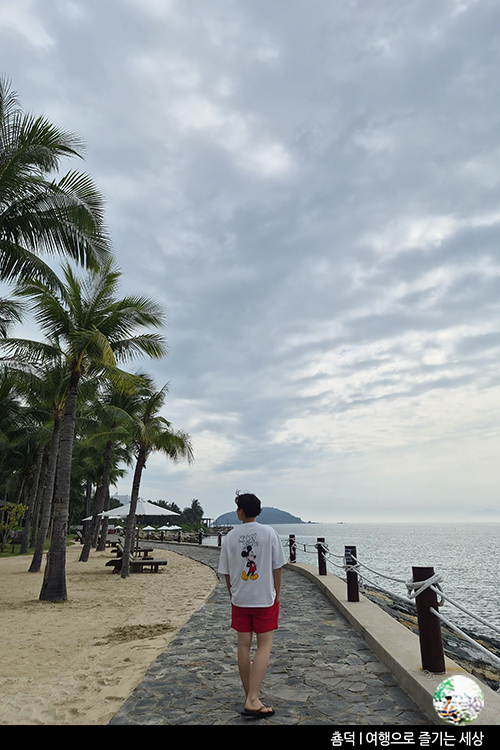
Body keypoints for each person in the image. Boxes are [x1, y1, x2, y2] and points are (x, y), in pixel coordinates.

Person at [218, 492, 286, 719]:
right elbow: (277, 567)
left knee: (243, 646)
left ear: (240, 511)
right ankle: (253, 698)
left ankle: (250, 695)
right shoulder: (269, 533)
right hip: (264, 598)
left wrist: (232, 592)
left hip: (240, 598)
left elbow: (226, 572)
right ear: (258, 510)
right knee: (264, 644)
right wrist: (277, 592)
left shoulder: (230, 537)